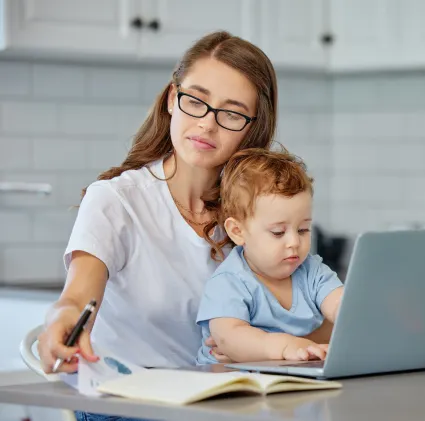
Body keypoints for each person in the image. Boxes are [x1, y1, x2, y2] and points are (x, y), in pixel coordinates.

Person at [35, 31, 332, 421]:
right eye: (196, 101)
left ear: (253, 127)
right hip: (127, 403)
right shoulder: (116, 200)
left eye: (231, 113)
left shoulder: (257, 217)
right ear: (172, 99)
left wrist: (257, 345)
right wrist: (59, 324)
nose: (208, 125)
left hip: (224, 403)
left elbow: (318, 320)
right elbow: (76, 299)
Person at [195, 148, 344, 365]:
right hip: (227, 386)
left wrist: (354, 313)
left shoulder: (312, 271)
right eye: (278, 232)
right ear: (237, 232)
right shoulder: (229, 282)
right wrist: (285, 346)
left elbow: (341, 304)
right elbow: (229, 338)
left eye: (303, 230)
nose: (294, 242)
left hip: (287, 381)